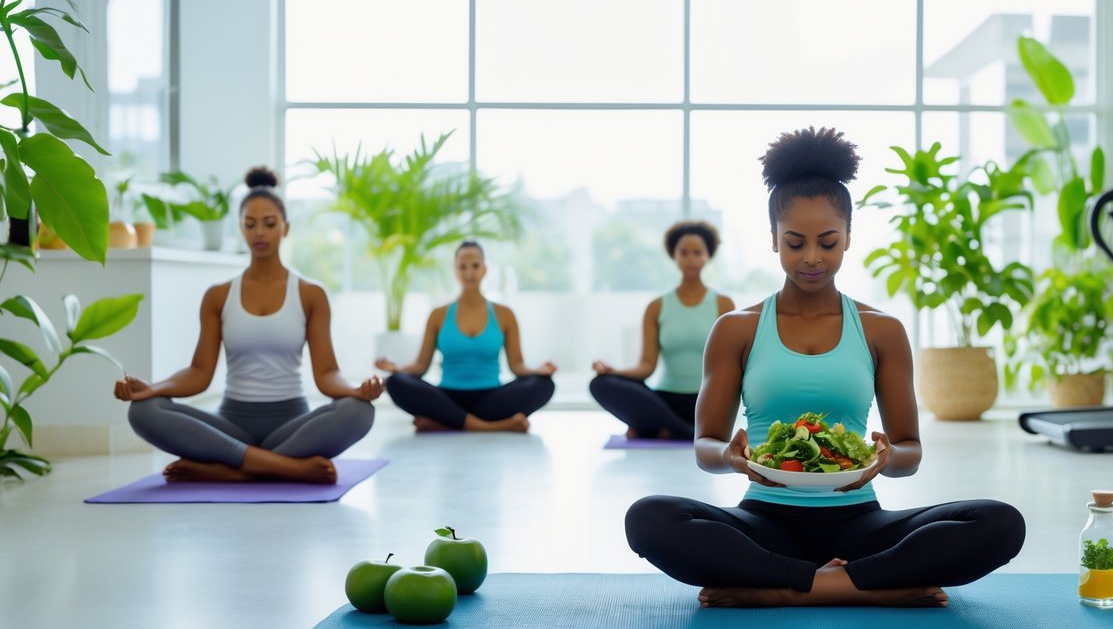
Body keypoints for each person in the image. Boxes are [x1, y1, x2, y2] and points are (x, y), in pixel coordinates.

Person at [623, 127, 1026, 608]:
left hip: (859, 521)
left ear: (849, 238)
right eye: (795, 243)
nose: (812, 258)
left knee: (1000, 522)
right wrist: (730, 457)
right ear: (773, 240)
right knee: (647, 517)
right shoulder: (736, 328)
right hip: (763, 520)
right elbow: (705, 446)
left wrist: (883, 460)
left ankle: (789, 590)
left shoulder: (881, 330)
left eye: (828, 242)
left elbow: (909, 452)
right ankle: (864, 587)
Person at [115, 167, 382, 484]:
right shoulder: (218, 296)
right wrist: (154, 388)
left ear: (285, 228)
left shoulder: (311, 295)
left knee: (359, 411)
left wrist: (356, 390)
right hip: (231, 425)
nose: (259, 233)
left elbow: (326, 375)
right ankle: (284, 468)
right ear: (240, 229)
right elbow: (199, 374)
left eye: (269, 224)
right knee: (143, 411)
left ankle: (230, 469)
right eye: (250, 224)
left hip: (291, 426)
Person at [376, 240, 556, 432]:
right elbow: (421, 366)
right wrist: (397, 369)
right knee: (395, 383)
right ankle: (491, 426)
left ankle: (445, 422)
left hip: (492, 397)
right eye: (463, 267)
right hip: (447, 397)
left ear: (485, 269)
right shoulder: (438, 315)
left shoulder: (505, 315)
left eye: (475, 266)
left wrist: (538, 371)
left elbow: (517, 366)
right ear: (455, 271)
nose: (469, 273)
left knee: (544, 385)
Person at [589, 221, 735, 439]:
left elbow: (728, 365)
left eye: (697, 252)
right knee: (600, 384)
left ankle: (657, 428)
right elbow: (647, 366)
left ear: (708, 256)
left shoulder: (723, 304)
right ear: (673, 255)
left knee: (659, 423)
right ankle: (683, 431)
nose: (690, 259)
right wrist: (613, 372)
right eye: (683, 252)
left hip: (706, 400)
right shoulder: (657, 306)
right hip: (665, 400)